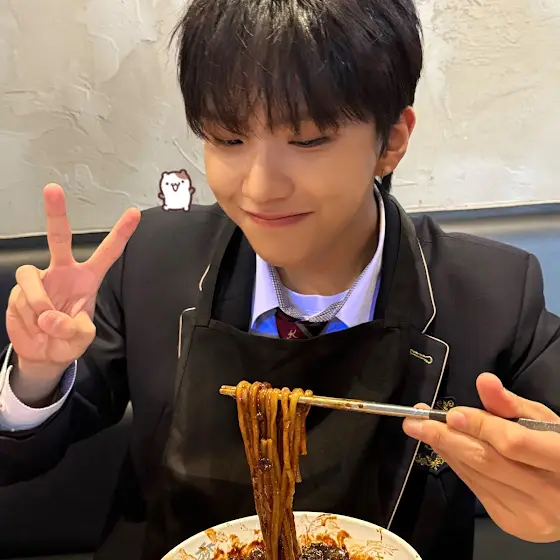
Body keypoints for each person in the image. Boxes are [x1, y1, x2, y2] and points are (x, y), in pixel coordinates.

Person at [1, 0, 559, 559]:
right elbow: (21, 453)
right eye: (228, 139)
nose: (260, 189)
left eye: (308, 140)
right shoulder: (152, 260)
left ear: (391, 141)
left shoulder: (492, 295)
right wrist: (38, 373)